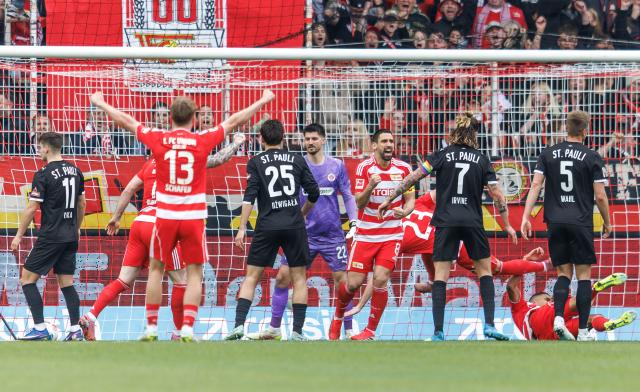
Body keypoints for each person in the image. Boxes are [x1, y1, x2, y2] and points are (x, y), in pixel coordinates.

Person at [89, 89, 274, 341]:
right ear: (195, 118)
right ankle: (186, 327)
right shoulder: (201, 141)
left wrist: (101, 103)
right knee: (193, 273)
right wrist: (262, 100)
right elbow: (233, 121)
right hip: (192, 217)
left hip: (163, 216)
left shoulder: (159, 141)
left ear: (170, 118)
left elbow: (127, 121)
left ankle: (151, 327)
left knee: (156, 269)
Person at [78, 133, 246, 341]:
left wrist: (116, 217)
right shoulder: (186, 163)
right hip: (162, 225)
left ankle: (91, 315)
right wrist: (237, 142)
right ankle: (178, 332)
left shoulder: (151, 164)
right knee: (182, 280)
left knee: (123, 280)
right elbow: (219, 159)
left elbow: (129, 188)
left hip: (140, 224)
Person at [379, 113, 517, 341]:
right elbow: (497, 194)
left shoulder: (441, 155)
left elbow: (413, 178)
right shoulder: (482, 160)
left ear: (454, 134)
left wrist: (391, 196)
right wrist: (508, 225)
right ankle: (490, 325)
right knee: (485, 272)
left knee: (441, 277)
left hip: (445, 221)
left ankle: (438, 332)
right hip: (472, 222)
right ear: (474, 135)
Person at [347, 191, 548, 317]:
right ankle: (434, 283)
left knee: (497, 269)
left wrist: (360, 305)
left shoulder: (395, 238)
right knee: (427, 249)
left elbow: (378, 278)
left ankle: (544, 265)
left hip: (457, 245)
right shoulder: (415, 205)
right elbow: (440, 192)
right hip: (447, 236)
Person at [246, 123, 357, 340]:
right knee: (282, 278)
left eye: (315, 138)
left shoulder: (337, 166)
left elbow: (348, 195)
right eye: (307, 139)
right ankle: (274, 328)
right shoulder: (297, 163)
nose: (310, 143)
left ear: (323, 140)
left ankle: (349, 328)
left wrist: (354, 222)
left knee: (343, 281)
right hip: (302, 233)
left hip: (332, 234)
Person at [521, 110, 611, 341]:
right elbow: (600, 196)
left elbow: (536, 185)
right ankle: (582, 331)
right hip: (580, 222)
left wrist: (525, 217)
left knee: (563, 273)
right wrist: (608, 222)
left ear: (566, 128)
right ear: (585, 130)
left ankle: (559, 318)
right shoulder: (591, 157)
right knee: (583, 276)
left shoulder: (548, 154)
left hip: (555, 221)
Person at [225, 120, 320, 341]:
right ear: (283, 138)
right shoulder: (297, 159)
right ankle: (297, 332)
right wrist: (302, 212)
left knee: (251, 277)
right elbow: (314, 192)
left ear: (261, 138)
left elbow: (250, 197)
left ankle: (238, 327)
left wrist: (241, 229)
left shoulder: (256, 161)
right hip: (294, 224)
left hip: (267, 225)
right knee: (299, 279)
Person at [328, 129, 415, 341]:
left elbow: (411, 200)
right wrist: (370, 186)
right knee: (352, 284)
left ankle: (370, 331)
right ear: (374, 145)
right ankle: (338, 317)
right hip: (366, 234)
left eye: (391, 141)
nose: (389, 145)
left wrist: (405, 211)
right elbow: (358, 202)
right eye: (384, 141)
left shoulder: (404, 168)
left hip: (392, 234)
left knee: (380, 279)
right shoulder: (364, 168)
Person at [10, 132, 86, 340]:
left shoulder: (43, 174)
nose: (38, 150)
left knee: (27, 279)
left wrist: (18, 235)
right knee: (67, 283)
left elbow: (32, 207)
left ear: (47, 148)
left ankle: (40, 328)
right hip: (70, 235)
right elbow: (81, 204)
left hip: (51, 235)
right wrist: (77, 227)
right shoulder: (76, 171)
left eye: (39, 146)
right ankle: (75, 330)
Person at [507, 272, 636, 340]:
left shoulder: (520, 314)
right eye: (547, 298)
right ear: (534, 302)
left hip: (550, 339)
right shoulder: (527, 308)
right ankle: (595, 288)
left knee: (589, 320)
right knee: (571, 303)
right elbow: (510, 286)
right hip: (542, 321)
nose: (549, 299)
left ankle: (609, 323)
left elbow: (510, 286)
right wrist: (526, 261)